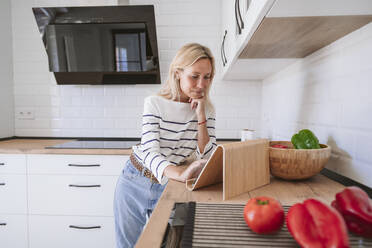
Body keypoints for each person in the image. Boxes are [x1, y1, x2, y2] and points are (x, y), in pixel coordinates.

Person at [113, 43, 217, 248]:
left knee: (166, 243)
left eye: (207, 77)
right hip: (135, 179)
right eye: (194, 76)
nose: (201, 84)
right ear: (178, 73)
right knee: (127, 245)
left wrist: (201, 117)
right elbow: (150, 152)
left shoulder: (207, 110)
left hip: (170, 186)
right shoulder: (154, 103)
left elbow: (207, 153)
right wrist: (179, 172)